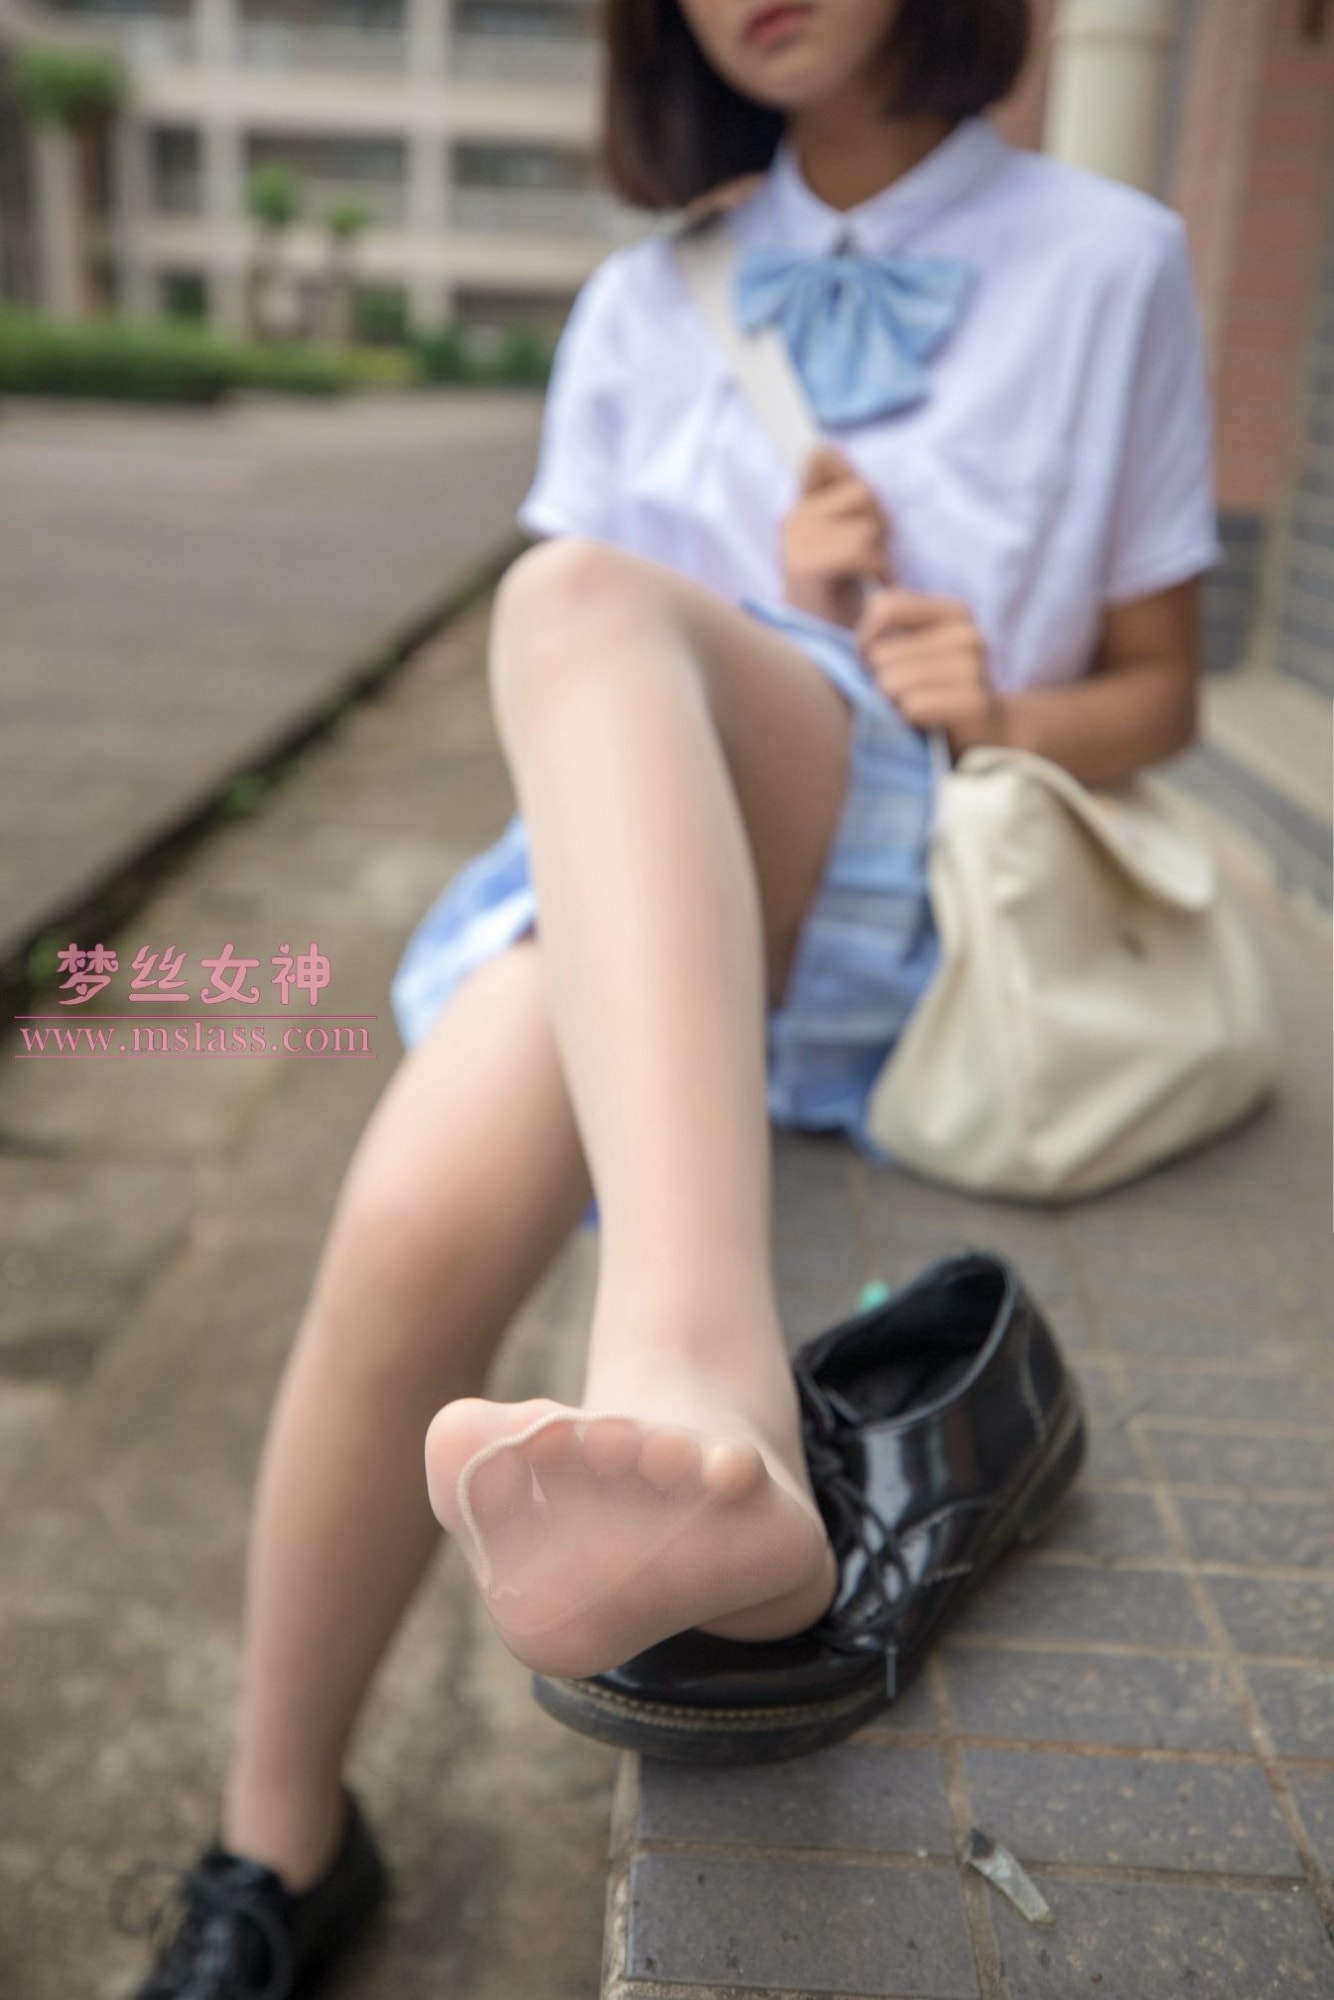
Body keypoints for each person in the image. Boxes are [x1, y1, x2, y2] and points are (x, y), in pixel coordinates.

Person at [129, 0, 1219, 1992]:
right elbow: (586, 736)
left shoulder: (1109, 259)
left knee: (567, 595)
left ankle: (701, 1381)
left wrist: (1003, 699)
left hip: (918, 874)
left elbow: (1162, 692)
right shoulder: (645, 302)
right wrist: (763, 607)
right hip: (657, 904)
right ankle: (273, 1846)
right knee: (406, 1224)